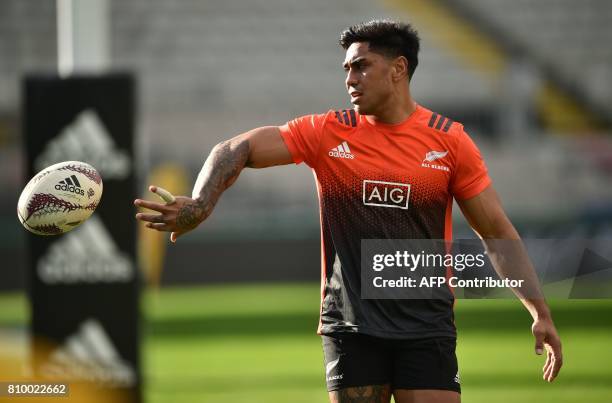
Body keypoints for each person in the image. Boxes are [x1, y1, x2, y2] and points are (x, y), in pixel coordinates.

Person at [134, 19, 562, 403]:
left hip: (426, 326)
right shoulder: (327, 131)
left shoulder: (449, 142)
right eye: (347, 70)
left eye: (361, 66)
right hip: (351, 327)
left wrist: (538, 312)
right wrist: (203, 203)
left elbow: (495, 230)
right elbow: (234, 148)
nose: (350, 79)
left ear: (398, 69)